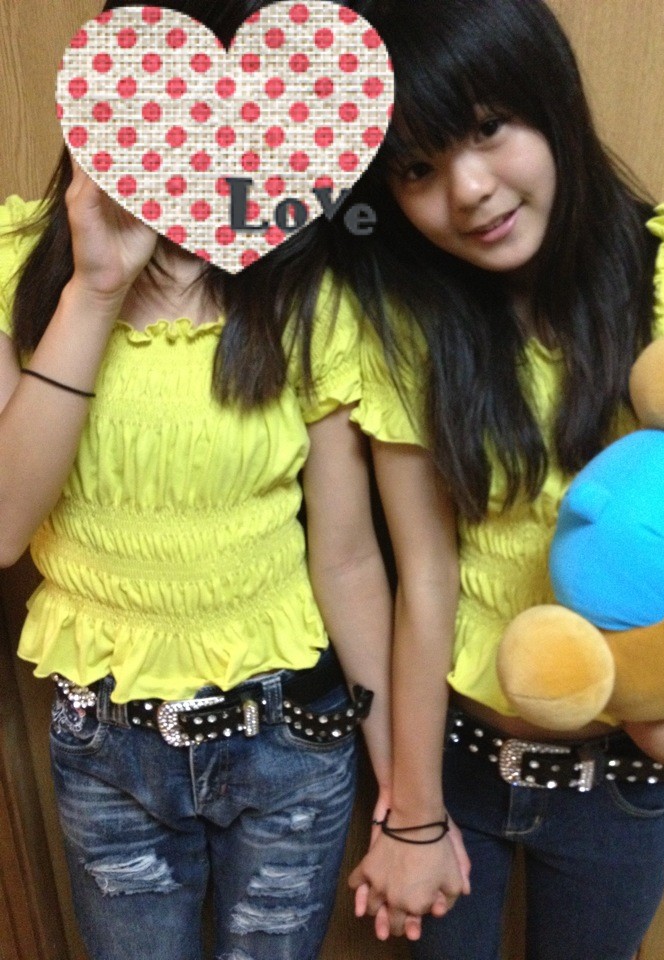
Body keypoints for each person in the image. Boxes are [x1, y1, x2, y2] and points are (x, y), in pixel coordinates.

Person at [320, 0, 664, 957]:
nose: (468, 189)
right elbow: (426, 577)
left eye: (491, 127)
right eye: (416, 170)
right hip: (460, 763)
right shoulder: (411, 332)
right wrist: (414, 813)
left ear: (553, 102)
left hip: (621, 786)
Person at [0, 2, 392, 959]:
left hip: (288, 733)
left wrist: (404, 791)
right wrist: (94, 289)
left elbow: (346, 558)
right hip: (105, 744)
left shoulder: (308, 299)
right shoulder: (15, 265)